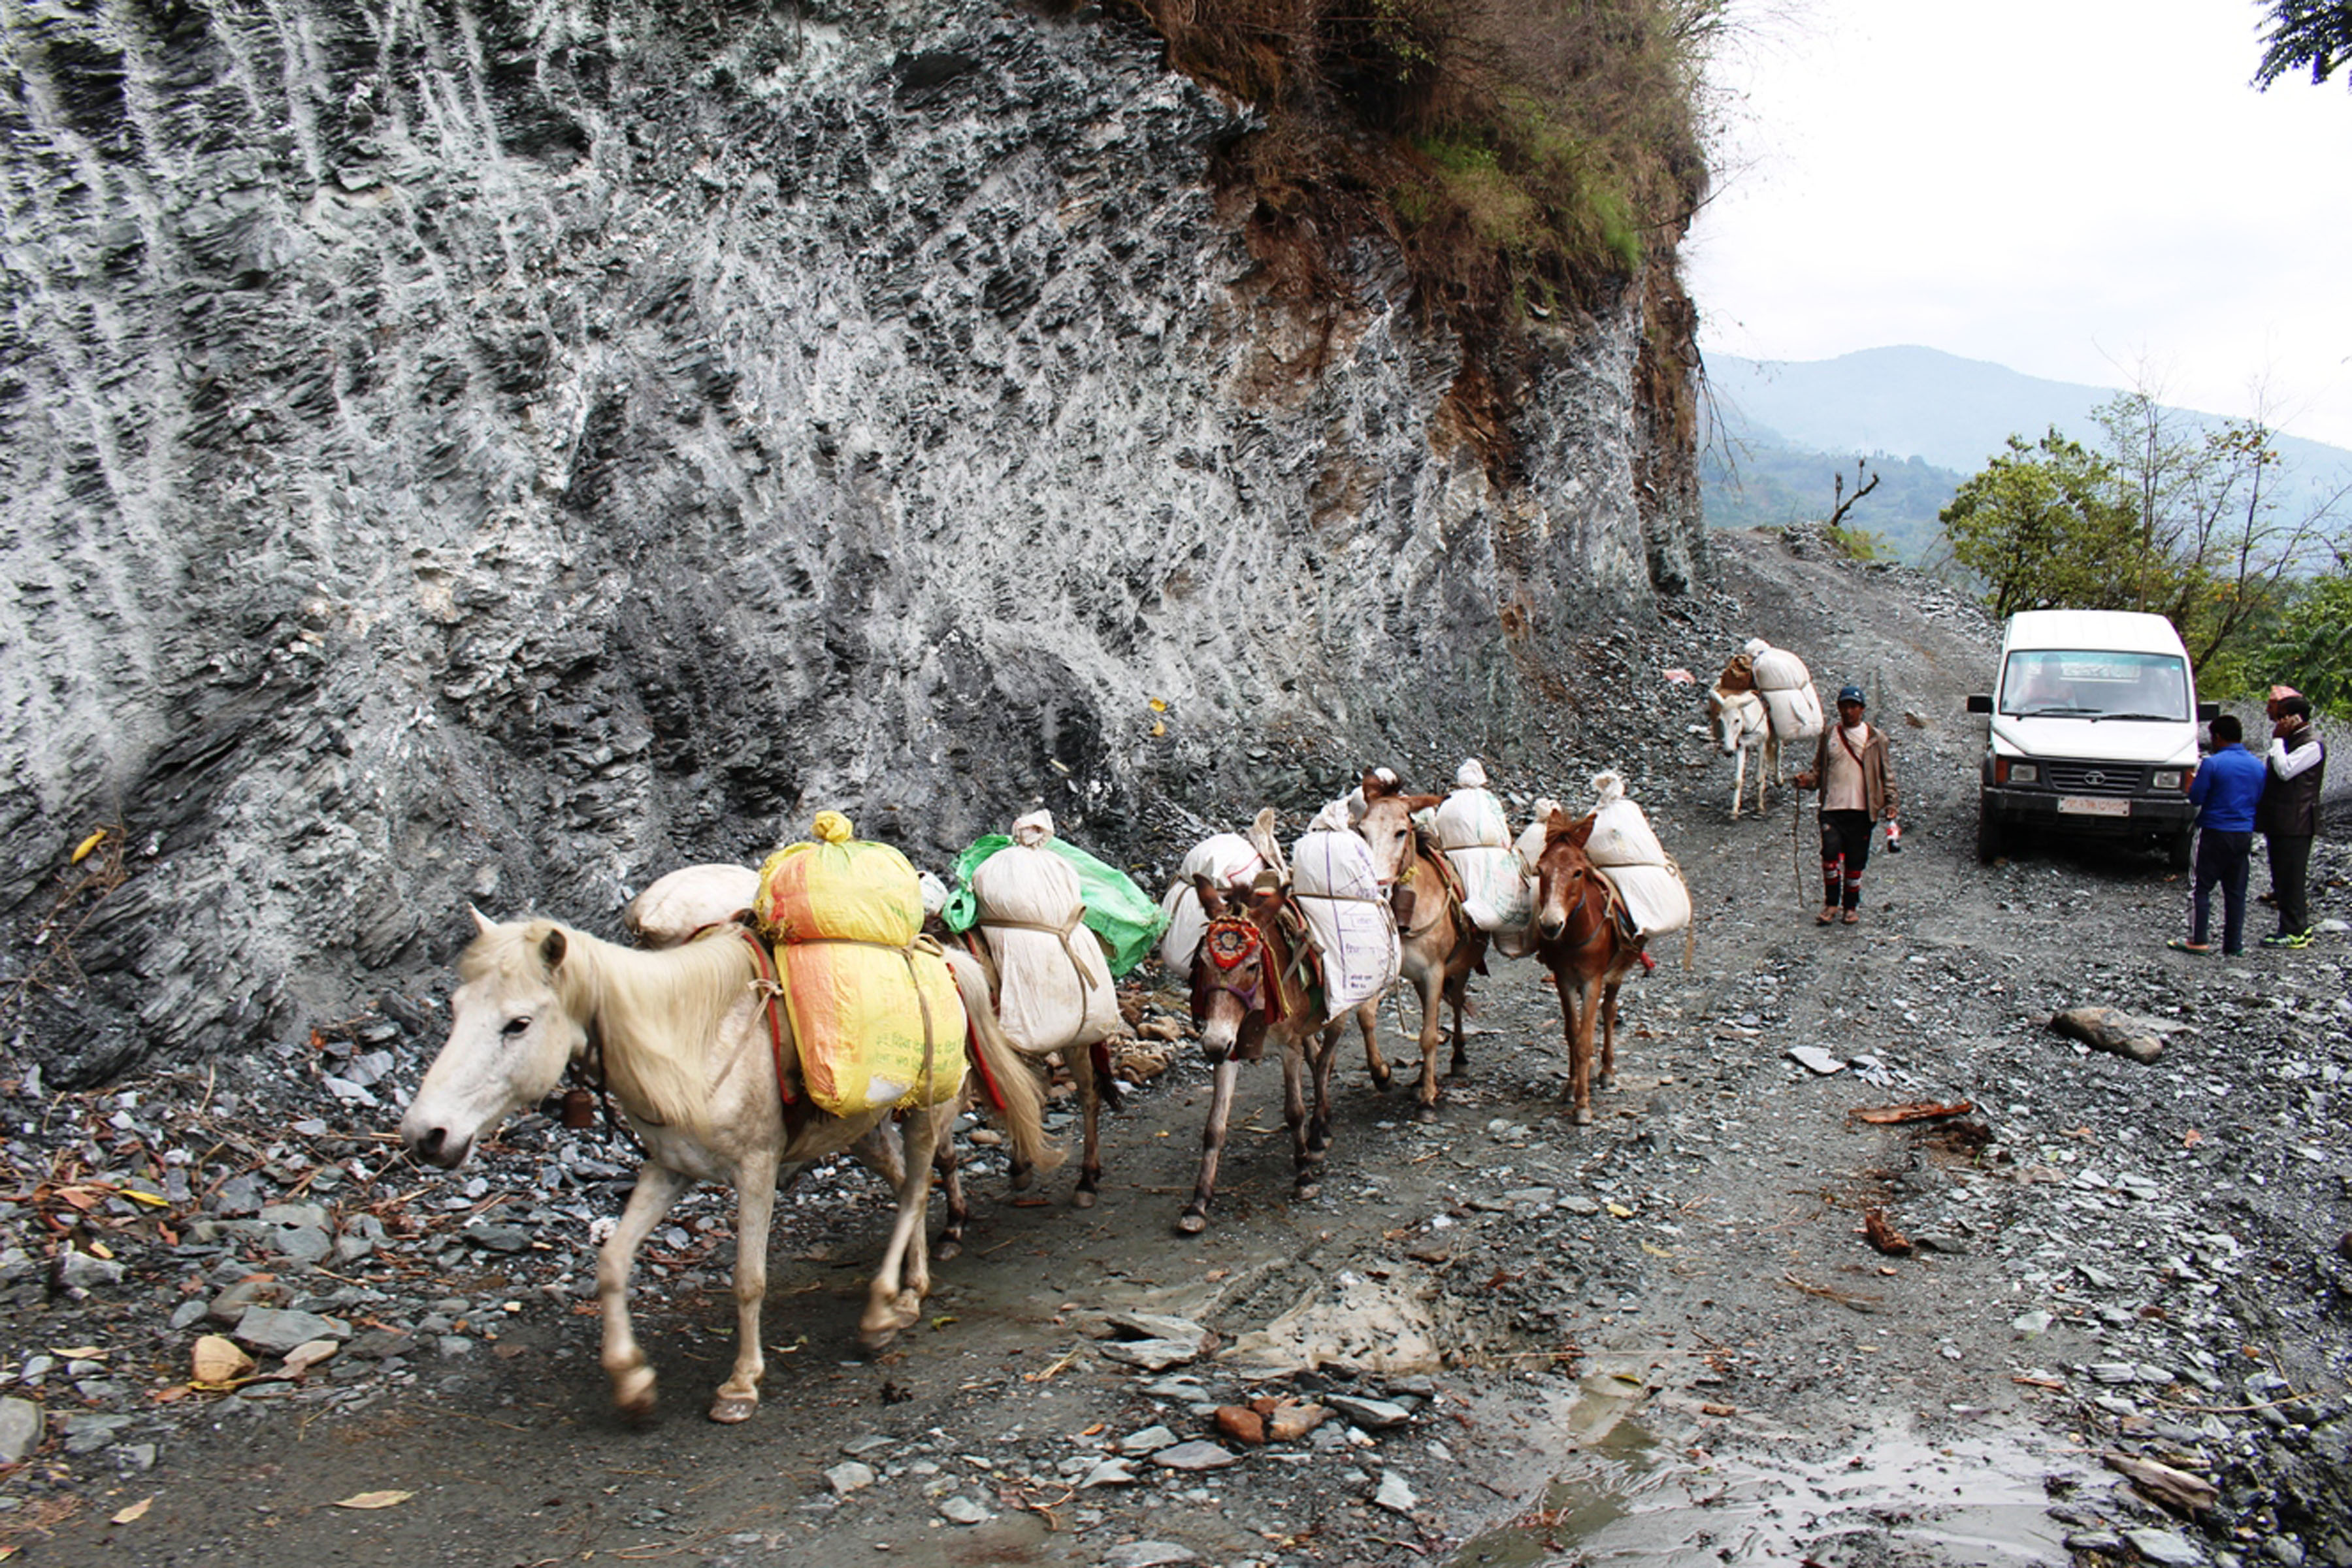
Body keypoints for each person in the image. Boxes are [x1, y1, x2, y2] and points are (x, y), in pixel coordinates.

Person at [1793, 685, 1898, 926]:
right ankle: (1831, 904)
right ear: (1839, 708)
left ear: (1862, 709)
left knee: (1855, 861)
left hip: (1863, 810)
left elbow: (1886, 774)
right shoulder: (1829, 735)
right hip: (1832, 808)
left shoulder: (1875, 739)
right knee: (1829, 855)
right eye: (1845, 707)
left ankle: (1850, 907)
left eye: (1853, 707)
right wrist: (1806, 781)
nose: (1849, 712)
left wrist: (1891, 802)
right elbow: (1819, 772)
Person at [2169, 713, 2266, 956]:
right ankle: (2234, 944)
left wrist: (2190, 785)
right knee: (2236, 891)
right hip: (2243, 832)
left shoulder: (2213, 764)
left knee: (2200, 887)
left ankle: (2198, 939)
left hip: (2214, 830)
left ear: (2218, 737)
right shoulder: (2257, 765)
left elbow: (2197, 798)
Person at [2256, 692, 2327, 950]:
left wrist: (2276, 742)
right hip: (2283, 820)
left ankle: (2294, 929)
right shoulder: (2295, 740)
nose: (2277, 722)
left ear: (2294, 718)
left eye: (2281, 717)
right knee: (2282, 877)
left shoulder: (2311, 744)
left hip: (2296, 822)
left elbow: (2285, 771)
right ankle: (2293, 926)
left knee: (2291, 878)